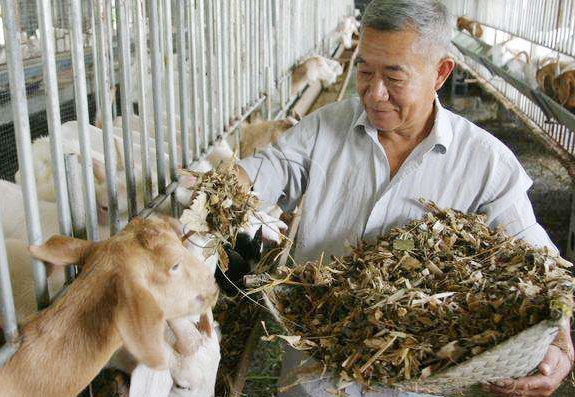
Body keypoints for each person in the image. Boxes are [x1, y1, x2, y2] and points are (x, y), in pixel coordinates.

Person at [233, 1, 575, 395]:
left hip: (413, 384)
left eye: (394, 77)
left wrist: (559, 343)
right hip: (314, 377)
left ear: (440, 72)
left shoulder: (486, 163)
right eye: (364, 70)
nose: (374, 93)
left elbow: (538, 263)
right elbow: (271, 168)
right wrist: (228, 187)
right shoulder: (326, 127)